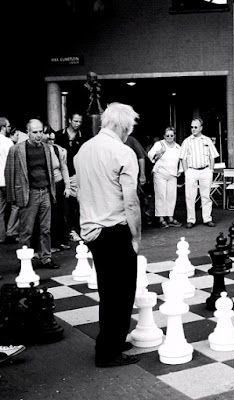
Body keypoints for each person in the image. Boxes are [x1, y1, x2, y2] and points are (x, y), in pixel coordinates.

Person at [74, 102, 141, 368]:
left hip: (92, 231)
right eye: (130, 127)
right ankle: (108, 352)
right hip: (115, 230)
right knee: (122, 293)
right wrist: (136, 237)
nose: (130, 132)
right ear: (122, 125)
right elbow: (131, 202)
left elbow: (79, 189)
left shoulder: (83, 150)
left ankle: (110, 341)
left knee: (108, 290)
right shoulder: (123, 152)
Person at [5, 119, 59, 269]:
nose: (38, 135)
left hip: (45, 191)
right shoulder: (17, 149)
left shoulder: (47, 148)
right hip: (29, 193)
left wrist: (52, 191)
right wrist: (12, 197)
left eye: (41, 131)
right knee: (26, 230)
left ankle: (46, 258)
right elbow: (9, 172)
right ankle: (24, 261)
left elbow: (50, 172)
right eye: (35, 132)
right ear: (27, 132)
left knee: (46, 229)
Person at [179, 117, 219, 228]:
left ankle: (207, 219)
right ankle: (191, 220)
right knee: (190, 196)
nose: (193, 129)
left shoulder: (207, 140)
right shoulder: (187, 141)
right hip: (192, 171)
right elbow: (182, 157)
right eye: (191, 127)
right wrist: (187, 171)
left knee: (206, 196)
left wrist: (210, 170)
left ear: (201, 128)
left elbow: (213, 156)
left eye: (195, 127)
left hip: (205, 170)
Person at [55, 112, 84, 242]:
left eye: (79, 122)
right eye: (75, 121)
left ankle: (73, 230)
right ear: (70, 120)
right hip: (60, 174)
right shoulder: (59, 135)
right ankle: (64, 232)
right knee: (61, 204)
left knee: (74, 203)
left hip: (75, 173)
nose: (77, 124)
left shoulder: (83, 137)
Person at [43, 127, 71, 252]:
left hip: (59, 184)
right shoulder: (40, 150)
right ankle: (52, 243)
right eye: (48, 139)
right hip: (47, 186)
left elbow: (64, 167)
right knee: (51, 215)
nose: (50, 142)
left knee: (61, 213)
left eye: (53, 139)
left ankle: (62, 241)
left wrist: (67, 186)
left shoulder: (57, 149)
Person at [147, 126, 182, 228]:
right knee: (161, 195)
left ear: (174, 136)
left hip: (172, 174)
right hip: (160, 173)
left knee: (171, 196)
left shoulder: (177, 147)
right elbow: (150, 155)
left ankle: (170, 217)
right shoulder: (159, 144)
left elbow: (182, 159)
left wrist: (180, 170)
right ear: (164, 136)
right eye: (167, 135)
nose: (170, 137)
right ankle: (161, 218)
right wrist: (159, 152)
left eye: (172, 135)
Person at [0, 117, 14, 245]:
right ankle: (11, 232)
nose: (10, 128)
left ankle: (1, 235)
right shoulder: (8, 142)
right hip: (7, 179)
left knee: (0, 210)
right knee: (16, 206)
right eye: (8, 126)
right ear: (3, 127)